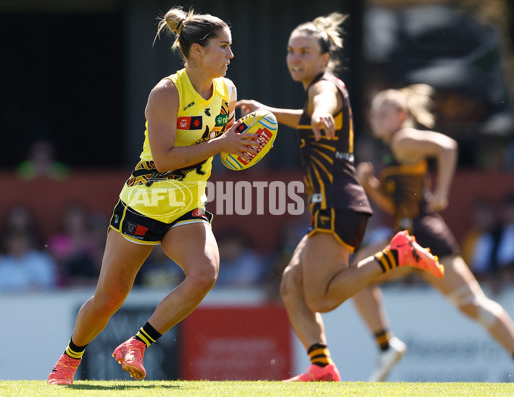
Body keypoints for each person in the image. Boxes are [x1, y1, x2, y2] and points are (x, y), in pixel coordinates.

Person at [47, 6, 258, 384]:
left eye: (230, 47)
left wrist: (239, 144)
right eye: (223, 47)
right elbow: (163, 160)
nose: (230, 55)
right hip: (146, 201)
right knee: (109, 298)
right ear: (196, 51)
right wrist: (222, 144)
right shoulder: (166, 92)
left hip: (188, 203)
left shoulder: (228, 90)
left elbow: (218, 146)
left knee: (205, 274)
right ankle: (68, 359)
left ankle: (137, 344)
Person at [236, 13, 443, 382]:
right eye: (290, 51)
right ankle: (321, 366)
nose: (294, 58)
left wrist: (317, 113)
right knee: (290, 284)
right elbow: (309, 114)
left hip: (338, 203)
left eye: (304, 52)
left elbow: (321, 104)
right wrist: (269, 111)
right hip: (335, 204)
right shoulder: (318, 89)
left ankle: (395, 255)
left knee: (320, 299)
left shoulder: (324, 87)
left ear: (324, 59)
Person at [351, 84, 514, 381]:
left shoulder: (403, 140)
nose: (375, 117)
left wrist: (442, 191)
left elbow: (447, 146)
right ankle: (386, 346)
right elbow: (395, 205)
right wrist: (371, 185)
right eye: (374, 112)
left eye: (383, 112)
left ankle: (386, 345)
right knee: (358, 277)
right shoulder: (391, 150)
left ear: (401, 116)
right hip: (407, 236)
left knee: (472, 304)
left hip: (422, 235)